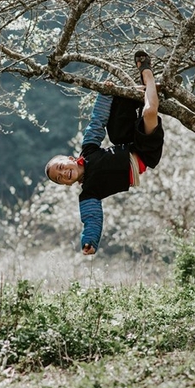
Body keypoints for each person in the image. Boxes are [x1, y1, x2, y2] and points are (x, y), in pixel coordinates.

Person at [44, 50, 164, 255]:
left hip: (128, 142)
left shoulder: (88, 150)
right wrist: (89, 241)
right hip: (145, 153)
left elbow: (97, 123)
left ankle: (141, 90)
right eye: (60, 177)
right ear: (65, 184)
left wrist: (105, 94)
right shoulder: (89, 192)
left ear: (71, 159)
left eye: (61, 167)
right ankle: (148, 77)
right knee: (150, 111)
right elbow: (92, 218)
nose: (63, 173)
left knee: (115, 128)